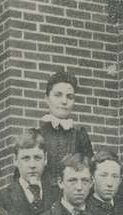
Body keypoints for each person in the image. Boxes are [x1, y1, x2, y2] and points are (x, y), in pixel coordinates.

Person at [38, 71, 94, 199]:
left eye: (69, 97)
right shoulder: (37, 134)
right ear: (46, 98)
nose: (64, 101)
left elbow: (90, 172)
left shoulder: (80, 135)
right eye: (58, 95)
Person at [0, 129, 49, 215]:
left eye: (37, 158)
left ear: (45, 159)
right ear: (15, 160)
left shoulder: (57, 193)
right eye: (26, 158)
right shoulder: (1, 198)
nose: (32, 165)